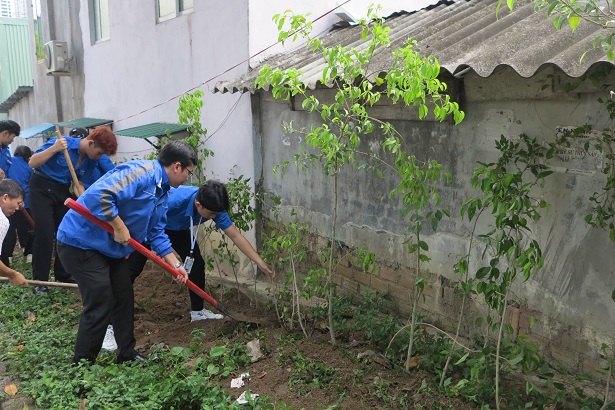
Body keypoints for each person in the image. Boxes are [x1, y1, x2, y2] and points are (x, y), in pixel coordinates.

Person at [56, 140, 197, 365]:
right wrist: (119, 226)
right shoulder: (141, 173)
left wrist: (175, 264)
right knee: (101, 298)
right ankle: (81, 365)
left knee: (123, 296)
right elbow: (101, 195)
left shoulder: (163, 192)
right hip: (81, 242)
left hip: (110, 250)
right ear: (177, 166)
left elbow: (157, 231)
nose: (188, 178)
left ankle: (127, 353)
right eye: (189, 172)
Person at [129, 180, 274, 321]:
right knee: (131, 270)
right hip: (147, 227)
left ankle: (197, 312)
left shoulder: (214, 207)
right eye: (211, 214)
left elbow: (235, 236)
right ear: (198, 204)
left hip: (177, 229)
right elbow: (145, 218)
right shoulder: (174, 200)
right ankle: (110, 322)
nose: (214, 217)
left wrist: (259, 262)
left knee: (197, 264)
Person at [28, 127, 118, 294]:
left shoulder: (91, 161)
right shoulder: (64, 143)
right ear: (91, 143)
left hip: (62, 190)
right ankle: (40, 282)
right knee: (45, 235)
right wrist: (54, 148)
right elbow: (32, 162)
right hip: (41, 187)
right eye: (99, 152)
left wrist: (84, 204)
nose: (99, 157)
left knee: (66, 232)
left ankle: (62, 275)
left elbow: (80, 184)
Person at [1, 146, 34, 266]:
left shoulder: (9, 161)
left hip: (7, 200)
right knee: (25, 228)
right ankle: (28, 252)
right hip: (25, 201)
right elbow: (31, 183)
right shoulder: (29, 166)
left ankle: (7, 256)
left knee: (8, 228)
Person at [0, 179, 28, 286]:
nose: (17, 208)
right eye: (17, 203)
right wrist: (13, 275)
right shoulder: (1, 220)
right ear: (5, 198)